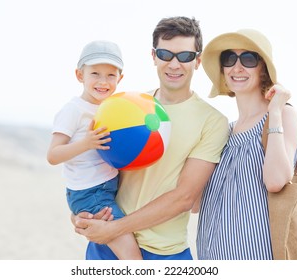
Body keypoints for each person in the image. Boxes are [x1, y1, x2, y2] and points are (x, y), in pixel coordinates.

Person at [72, 16, 229, 260]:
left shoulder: (213, 122)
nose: (174, 64)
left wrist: (114, 228)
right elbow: (91, 168)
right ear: (154, 56)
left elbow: (184, 197)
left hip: (164, 253)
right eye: (166, 54)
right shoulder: (126, 103)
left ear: (197, 61)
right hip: (109, 244)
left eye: (185, 56)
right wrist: (80, 213)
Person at [196, 29, 297, 260]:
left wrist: (274, 110)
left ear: (263, 68)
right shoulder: (222, 131)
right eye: (229, 59)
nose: (237, 67)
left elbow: (275, 181)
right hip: (211, 257)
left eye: (249, 59)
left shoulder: (283, 116)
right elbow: (195, 203)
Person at [47, 40, 142, 260]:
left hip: (107, 189)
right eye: (95, 74)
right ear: (80, 75)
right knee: (132, 258)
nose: (103, 81)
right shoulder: (73, 110)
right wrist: (87, 143)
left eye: (111, 75)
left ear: (120, 78)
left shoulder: (111, 107)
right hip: (91, 194)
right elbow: (53, 155)